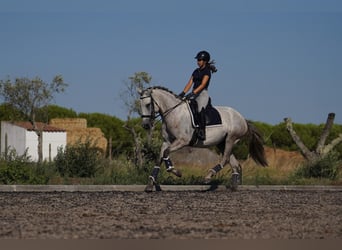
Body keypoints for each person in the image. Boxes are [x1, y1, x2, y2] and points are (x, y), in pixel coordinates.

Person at [178, 50, 217, 140]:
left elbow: (203, 85)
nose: (198, 62)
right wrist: (183, 93)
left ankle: (202, 131)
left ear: (205, 61)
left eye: (199, 60)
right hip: (194, 93)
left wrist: (193, 93)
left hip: (202, 94)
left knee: (200, 109)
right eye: (197, 60)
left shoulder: (207, 72)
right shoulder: (195, 71)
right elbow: (189, 83)